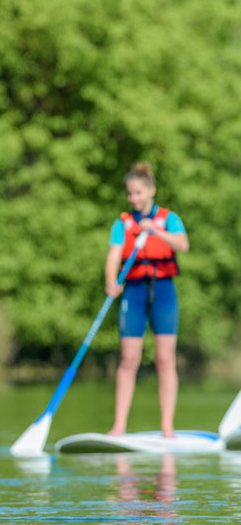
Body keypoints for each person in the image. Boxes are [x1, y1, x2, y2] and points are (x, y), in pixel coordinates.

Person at [105, 162, 189, 438]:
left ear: (151, 191)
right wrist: (111, 280)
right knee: (129, 359)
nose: (134, 198)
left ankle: (167, 426)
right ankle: (119, 426)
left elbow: (182, 245)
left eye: (138, 192)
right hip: (134, 291)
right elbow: (114, 255)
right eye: (130, 194)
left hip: (164, 291)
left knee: (165, 359)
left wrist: (154, 231)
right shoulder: (123, 223)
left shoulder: (168, 218)